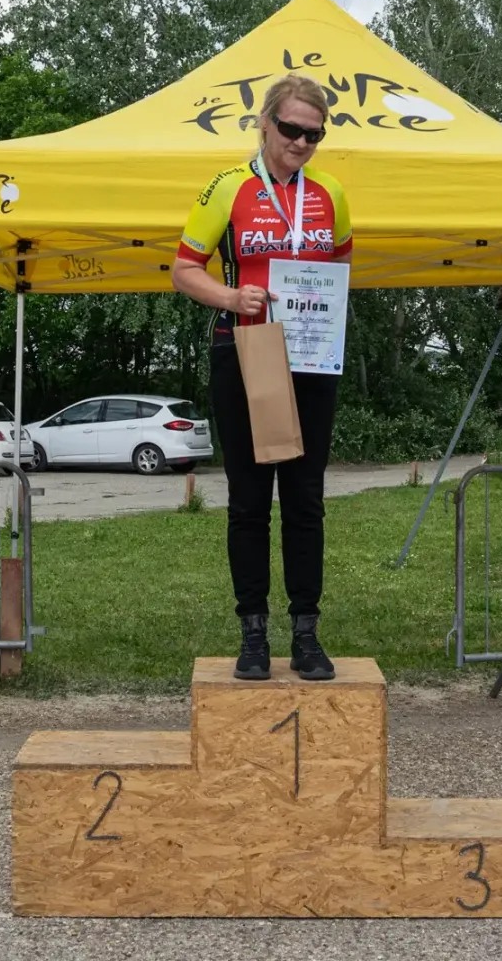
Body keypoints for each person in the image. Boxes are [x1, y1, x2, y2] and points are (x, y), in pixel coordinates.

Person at [172, 74, 352, 682]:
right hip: (245, 349)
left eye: (314, 134)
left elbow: (340, 266)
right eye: (292, 129)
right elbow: (183, 269)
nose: (301, 142)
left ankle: (306, 633)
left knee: (305, 500)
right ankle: (253, 633)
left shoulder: (331, 192)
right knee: (249, 501)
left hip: (309, 357)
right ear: (266, 123)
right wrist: (231, 296)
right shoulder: (228, 187)